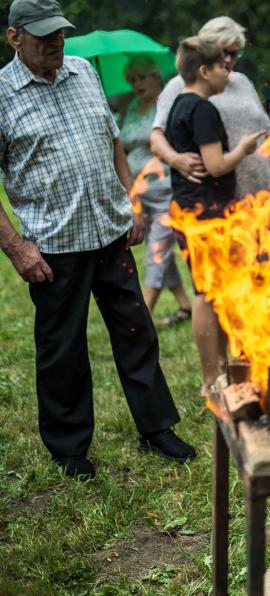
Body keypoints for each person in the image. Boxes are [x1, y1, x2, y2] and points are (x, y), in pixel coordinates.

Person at [0, 0, 196, 480]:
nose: (55, 42)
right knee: (62, 348)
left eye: (60, 33)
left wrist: (128, 203)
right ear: (14, 37)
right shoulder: (2, 95)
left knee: (137, 332)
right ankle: (69, 448)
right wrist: (17, 248)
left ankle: (157, 428)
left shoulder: (83, 71)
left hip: (110, 234)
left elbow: (111, 140)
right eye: (43, 34)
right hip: (52, 247)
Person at [165, 37, 263, 398]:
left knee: (211, 290)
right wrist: (244, 148)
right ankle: (211, 378)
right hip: (205, 217)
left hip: (193, 213)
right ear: (205, 71)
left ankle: (220, 369)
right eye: (223, 65)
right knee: (207, 293)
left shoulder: (179, 104)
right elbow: (216, 165)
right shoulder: (203, 109)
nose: (228, 70)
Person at [150, 17, 270, 200]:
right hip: (223, 201)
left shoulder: (242, 82)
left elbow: (266, 133)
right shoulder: (182, 86)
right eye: (223, 52)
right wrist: (175, 159)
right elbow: (156, 136)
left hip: (264, 194)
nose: (228, 59)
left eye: (234, 53)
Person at [118, 56, 192, 325]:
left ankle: (143, 318)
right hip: (139, 193)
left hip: (166, 191)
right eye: (133, 79)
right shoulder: (133, 107)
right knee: (156, 247)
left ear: (156, 77)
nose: (137, 84)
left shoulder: (168, 106)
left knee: (157, 252)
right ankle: (186, 305)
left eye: (143, 77)